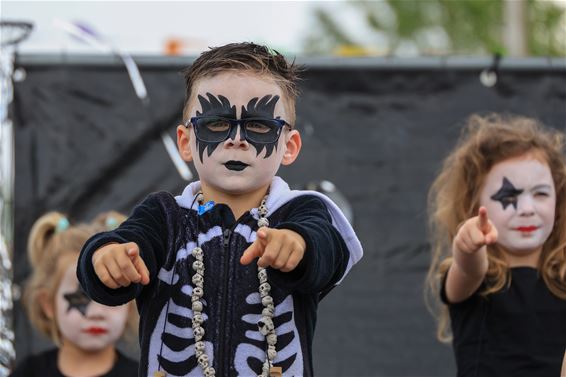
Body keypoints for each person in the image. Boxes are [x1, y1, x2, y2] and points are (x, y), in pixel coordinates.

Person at [77, 42, 363, 377]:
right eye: (216, 123)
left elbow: (328, 251)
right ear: (186, 142)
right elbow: (122, 248)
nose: (237, 139)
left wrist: (300, 244)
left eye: (259, 125)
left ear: (290, 146)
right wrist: (105, 258)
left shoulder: (299, 213)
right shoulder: (164, 217)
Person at [426, 113, 566, 376]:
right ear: (473, 202)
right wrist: (469, 249)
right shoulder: (477, 278)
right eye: (509, 195)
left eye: (540, 194)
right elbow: (469, 270)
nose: (527, 209)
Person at [10, 211, 138, 377]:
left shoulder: (143, 373)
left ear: (128, 305)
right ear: (48, 304)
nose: (97, 313)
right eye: (82, 297)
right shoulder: (29, 372)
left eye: (110, 297)